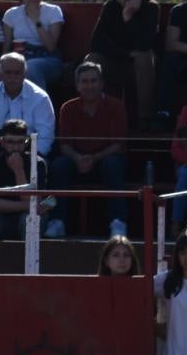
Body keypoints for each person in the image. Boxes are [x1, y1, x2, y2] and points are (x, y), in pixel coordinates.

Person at [54, 60, 130, 237]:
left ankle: (118, 222)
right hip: (76, 162)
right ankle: (55, 220)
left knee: (113, 165)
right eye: (85, 81)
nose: (89, 86)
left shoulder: (116, 106)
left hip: (106, 161)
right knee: (58, 166)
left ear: (102, 83)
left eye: (94, 81)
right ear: (77, 85)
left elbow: (118, 144)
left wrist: (94, 158)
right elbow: (64, 145)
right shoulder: (68, 108)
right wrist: (78, 158)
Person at [90, 0, 161, 123]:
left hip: (140, 66)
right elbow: (96, 43)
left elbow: (146, 43)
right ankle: (93, 114)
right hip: (116, 59)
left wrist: (128, 18)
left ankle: (145, 117)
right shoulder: (110, 7)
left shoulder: (151, 7)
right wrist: (127, 53)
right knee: (92, 60)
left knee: (145, 56)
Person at [0, 52, 55, 163]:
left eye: (17, 73)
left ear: (24, 73)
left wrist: (30, 161)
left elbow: (45, 136)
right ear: (0, 74)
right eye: (8, 73)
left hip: (30, 152)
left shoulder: (40, 98)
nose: (13, 77)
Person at [0, 116, 41, 242]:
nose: (15, 147)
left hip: (24, 217)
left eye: (20, 142)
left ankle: (31, 261)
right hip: (0, 216)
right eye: (10, 142)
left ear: (26, 142)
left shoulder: (38, 164)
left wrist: (18, 171)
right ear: (2, 142)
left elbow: (38, 204)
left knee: (29, 218)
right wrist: (26, 205)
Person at [3, 0, 68, 97]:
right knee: (10, 71)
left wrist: (36, 20)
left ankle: (39, 110)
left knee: (31, 68)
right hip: (20, 56)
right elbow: (6, 46)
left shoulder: (53, 11)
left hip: (48, 58)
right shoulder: (11, 14)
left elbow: (51, 46)